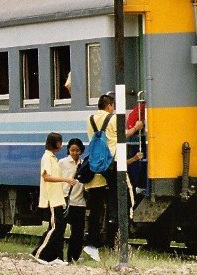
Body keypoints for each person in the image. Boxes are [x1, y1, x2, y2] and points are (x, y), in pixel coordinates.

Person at [83, 93, 143, 262]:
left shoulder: (90, 119)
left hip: (96, 163)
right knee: (124, 198)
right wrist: (137, 127)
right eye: (113, 106)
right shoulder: (114, 118)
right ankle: (116, 238)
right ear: (109, 106)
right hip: (113, 163)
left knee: (98, 204)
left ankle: (96, 241)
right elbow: (124, 136)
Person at [31, 133, 76, 265]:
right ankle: (38, 253)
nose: (61, 145)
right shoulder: (47, 158)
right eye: (60, 142)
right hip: (51, 198)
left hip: (57, 198)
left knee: (59, 227)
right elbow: (46, 177)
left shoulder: (53, 158)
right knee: (55, 228)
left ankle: (56, 257)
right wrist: (65, 179)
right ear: (54, 143)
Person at [59, 138, 87, 263]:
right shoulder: (62, 163)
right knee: (59, 231)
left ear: (81, 151)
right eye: (72, 150)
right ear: (68, 150)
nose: (75, 153)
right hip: (65, 202)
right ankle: (58, 256)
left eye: (77, 150)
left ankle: (73, 257)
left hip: (79, 202)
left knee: (78, 233)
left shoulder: (84, 164)